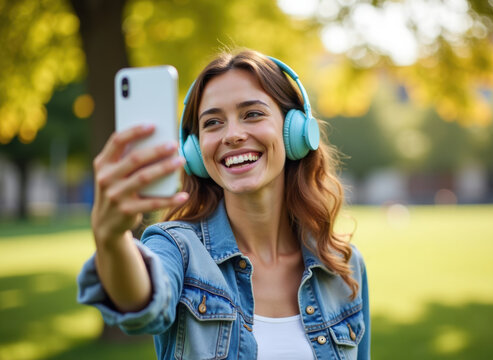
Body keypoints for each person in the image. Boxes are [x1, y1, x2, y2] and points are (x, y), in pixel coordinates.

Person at [78, 49, 370, 360]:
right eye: (213, 122)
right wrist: (112, 239)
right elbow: (141, 304)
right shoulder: (178, 248)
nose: (232, 135)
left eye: (252, 114)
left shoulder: (343, 264)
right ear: (194, 151)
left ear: (294, 130)